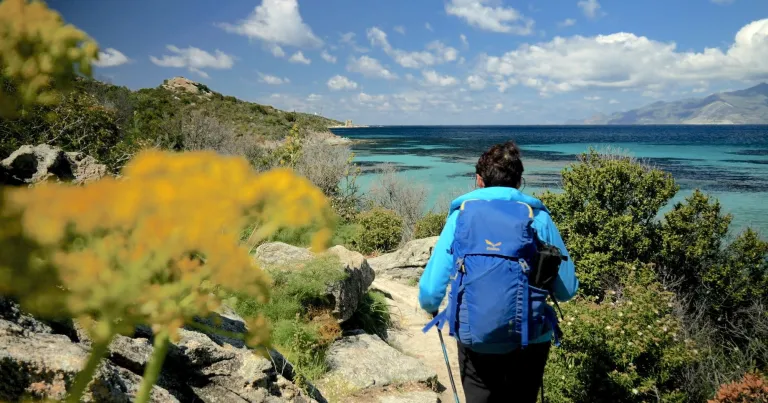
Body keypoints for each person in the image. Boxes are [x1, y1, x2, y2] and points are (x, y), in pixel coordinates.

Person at [418, 140, 579, 403]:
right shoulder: (538, 217)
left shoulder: (460, 216)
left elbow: (429, 291)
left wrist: (430, 305)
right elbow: (567, 290)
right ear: (519, 181)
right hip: (530, 338)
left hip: (475, 337)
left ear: (479, 180)